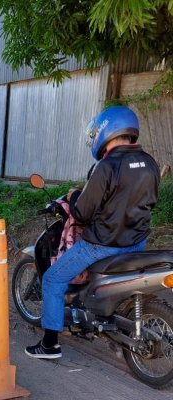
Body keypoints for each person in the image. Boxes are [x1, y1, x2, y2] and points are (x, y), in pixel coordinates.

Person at [25, 105, 160, 359]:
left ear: (104, 131)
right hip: (136, 242)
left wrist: (74, 195)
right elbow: (147, 201)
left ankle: (49, 345)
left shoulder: (106, 166)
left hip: (103, 243)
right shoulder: (149, 163)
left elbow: (83, 213)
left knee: (54, 279)